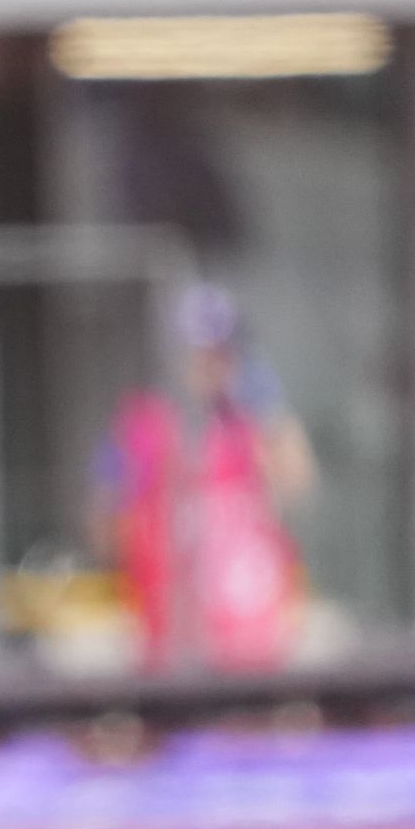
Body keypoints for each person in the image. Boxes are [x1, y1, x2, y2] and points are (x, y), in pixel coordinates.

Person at [89, 281, 312, 673]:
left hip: (253, 641)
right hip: (171, 644)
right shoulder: (142, 425)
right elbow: (105, 523)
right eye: (202, 353)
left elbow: (296, 482)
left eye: (224, 353)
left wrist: (272, 416)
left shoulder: (250, 425)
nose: (213, 365)